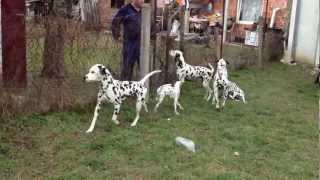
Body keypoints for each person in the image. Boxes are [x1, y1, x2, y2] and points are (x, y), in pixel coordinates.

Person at [111, 0, 144, 81]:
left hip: (142, 44)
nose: (142, 1)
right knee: (127, 68)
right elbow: (115, 23)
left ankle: (145, 88)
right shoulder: (125, 10)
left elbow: (151, 25)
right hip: (129, 43)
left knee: (144, 67)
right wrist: (117, 36)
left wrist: (153, 34)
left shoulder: (145, 11)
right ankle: (124, 88)